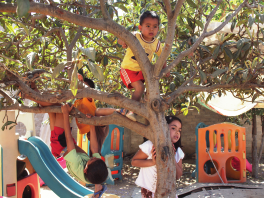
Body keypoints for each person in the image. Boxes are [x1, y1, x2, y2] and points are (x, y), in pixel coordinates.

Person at [118, 11, 169, 121]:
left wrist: (165, 69)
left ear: (158, 29)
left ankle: (146, 96)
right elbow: (120, 38)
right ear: (140, 27)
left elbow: (162, 56)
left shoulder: (156, 43)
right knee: (140, 87)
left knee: (152, 79)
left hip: (141, 72)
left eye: (155, 26)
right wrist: (123, 42)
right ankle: (132, 111)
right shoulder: (135, 36)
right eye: (148, 26)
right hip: (128, 69)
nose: (151, 29)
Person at [131, 116, 184, 198]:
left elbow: (178, 176)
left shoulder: (178, 151)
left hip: (168, 194)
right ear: (164, 128)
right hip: (149, 192)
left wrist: (172, 158)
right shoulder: (151, 145)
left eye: (179, 130)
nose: (177, 132)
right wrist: (152, 162)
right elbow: (134, 161)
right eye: (174, 128)